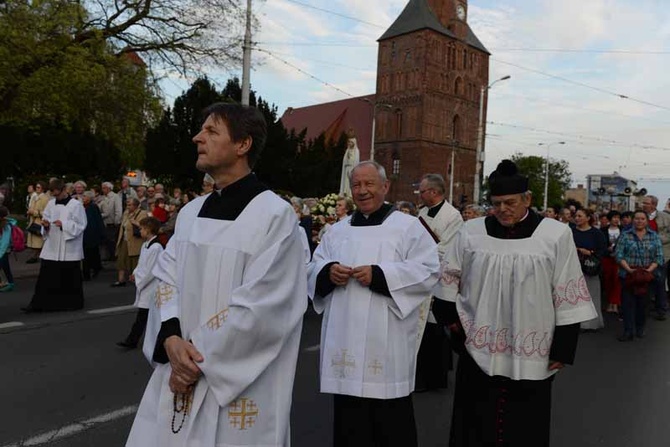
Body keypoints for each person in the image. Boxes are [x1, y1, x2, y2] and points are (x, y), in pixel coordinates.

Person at [126, 103, 307, 447]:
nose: (198, 137)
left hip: (236, 382)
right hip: (178, 359)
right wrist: (170, 337)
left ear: (242, 145)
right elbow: (166, 279)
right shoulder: (191, 213)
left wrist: (190, 359)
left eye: (211, 131)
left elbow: (265, 306)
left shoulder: (274, 215)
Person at [442, 160, 597, 447]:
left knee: (526, 422)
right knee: (474, 418)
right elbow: (448, 277)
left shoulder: (555, 234)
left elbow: (567, 288)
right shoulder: (471, 231)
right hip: (478, 343)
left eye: (510, 202)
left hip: (532, 345)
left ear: (528, 199)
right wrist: (453, 323)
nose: (503, 210)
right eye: (497, 203)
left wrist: (564, 345)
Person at [308, 161, 440, 447]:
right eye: (357, 185)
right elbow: (312, 268)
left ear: (385, 187)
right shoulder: (337, 231)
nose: (363, 191)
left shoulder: (408, 228)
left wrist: (380, 275)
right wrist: (328, 271)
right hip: (344, 340)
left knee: (390, 423)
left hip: (387, 338)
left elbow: (429, 269)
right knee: (349, 424)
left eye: (369, 184)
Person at [416, 173, 463, 392]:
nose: (420, 194)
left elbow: (449, 247)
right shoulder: (422, 212)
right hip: (421, 276)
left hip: (440, 278)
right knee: (422, 329)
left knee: (436, 329)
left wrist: (423, 251)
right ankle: (421, 376)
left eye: (422, 191)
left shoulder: (453, 216)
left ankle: (436, 377)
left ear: (434, 192)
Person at [21, 179, 87, 312]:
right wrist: (45, 226)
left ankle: (70, 303)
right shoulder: (51, 204)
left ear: (64, 191)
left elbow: (81, 225)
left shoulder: (76, 205)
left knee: (69, 278)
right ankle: (40, 304)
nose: (56, 197)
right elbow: (46, 219)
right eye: (53, 195)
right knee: (46, 277)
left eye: (57, 194)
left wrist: (65, 225)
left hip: (69, 248)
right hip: (52, 245)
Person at [615, 210, 664, 341]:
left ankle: (640, 328)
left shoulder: (654, 236)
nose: (639, 221)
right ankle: (628, 331)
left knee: (643, 305)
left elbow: (659, 257)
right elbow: (619, 255)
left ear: (647, 221)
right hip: (628, 274)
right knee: (627, 304)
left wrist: (648, 270)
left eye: (642, 219)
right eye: (637, 218)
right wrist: (629, 270)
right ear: (633, 220)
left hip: (646, 276)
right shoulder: (625, 235)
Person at [117, 217, 164, 350]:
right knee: (145, 317)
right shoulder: (145, 245)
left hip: (152, 286)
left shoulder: (156, 247)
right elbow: (141, 264)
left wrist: (139, 280)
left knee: (145, 317)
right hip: (145, 285)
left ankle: (133, 340)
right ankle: (134, 340)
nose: (140, 231)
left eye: (142, 229)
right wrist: (135, 273)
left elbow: (151, 270)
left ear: (148, 230)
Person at [572, 208, 607, 331]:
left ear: (588, 218)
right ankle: (575, 323)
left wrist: (590, 252)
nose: (577, 218)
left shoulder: (596, 233)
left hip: (590, 268)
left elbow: (603, 250)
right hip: (573, 268)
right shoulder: (570, 231)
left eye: (580, 216)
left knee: (591, 296)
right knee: (575, 296)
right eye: (576, 216)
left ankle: (591, 323)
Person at [641, 195, 670, 320]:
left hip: (661, 254)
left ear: (654, 205)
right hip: (643, 255)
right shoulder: (640, 217)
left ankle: (661, 309)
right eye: (643, 203)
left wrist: (656, 240)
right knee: (644, 281)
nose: (644, 205)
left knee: (659, 281)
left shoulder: (666, 217)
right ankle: (645, 308)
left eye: (646, 203)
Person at [112, 198, 147, 287]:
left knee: (134, 260)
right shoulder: (126, 213)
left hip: (135, 240)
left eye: (130, 205)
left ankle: (136, 279)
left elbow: (144, 226)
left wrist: (136, 223)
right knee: (121, 259)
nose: (128, 207)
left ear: (135, 205)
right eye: (127, 205)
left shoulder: (142, 213)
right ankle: (121, 280)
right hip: (124, 239)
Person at [601, 210, 622, 314]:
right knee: (608, 280)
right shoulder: (603, 230)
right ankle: (610, 302)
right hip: (607, 258)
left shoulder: (623, 230)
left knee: (617, 280)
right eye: (614, 217)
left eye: (618, 217)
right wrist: (606, 249)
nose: (616, 219)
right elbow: (600, 245)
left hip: (619, 259)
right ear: (610, 219)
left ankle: (615, 303)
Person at [81, 191, 105, 281]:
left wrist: (100, 234)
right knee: (85, 255)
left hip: (92, 234)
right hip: (84, 234)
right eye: (83, 196)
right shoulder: (81, 207)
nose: (83, 198)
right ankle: (86, 273)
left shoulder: (93, 207)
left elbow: (98, 221)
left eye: (85, 196)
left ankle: (95, 269)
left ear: (89, 198)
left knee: (92, 253)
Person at [25, 181, 49, 264]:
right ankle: (36, 256)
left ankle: (38, 256)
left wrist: (34, 212)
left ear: (43, 188)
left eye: (39, 187)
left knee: (39, 241)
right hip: (33, 221)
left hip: (39, 222)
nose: (37, 189)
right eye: (36, 187)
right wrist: (29, 212)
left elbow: (46, 212)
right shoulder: (35, 197)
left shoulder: (45, 198)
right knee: (35, 241)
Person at [99, 181, 122, 260]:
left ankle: (113, 256)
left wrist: (117, 221)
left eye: (104, 188)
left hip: (112, 222)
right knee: (106, 240)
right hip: (104, 222)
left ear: (109, 188)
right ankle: (108, 256)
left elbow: (118, 210)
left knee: (111, 240)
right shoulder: (102, 197)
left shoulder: (115, 196)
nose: (102, 189)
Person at [0, 206, 17, 292]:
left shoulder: (6, 226)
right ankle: (9, 283)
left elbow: (5, 242)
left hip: (4, 250)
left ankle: (9, 283)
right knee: (5, 267)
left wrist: (0, 253)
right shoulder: (3, 224)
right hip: (3, 250)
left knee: (5, 266)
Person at [338, 131, 360, 197]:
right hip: (346, 168)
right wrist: (347, 159)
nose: (349, 144)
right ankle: (344, 193)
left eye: (351, 142)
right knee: (346, 182)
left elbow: (356, 161)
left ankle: (350, 194)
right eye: (348, 142)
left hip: (352, 168)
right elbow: (344, 161)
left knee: (350, 181)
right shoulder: (347, 151)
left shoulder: (356, 151)